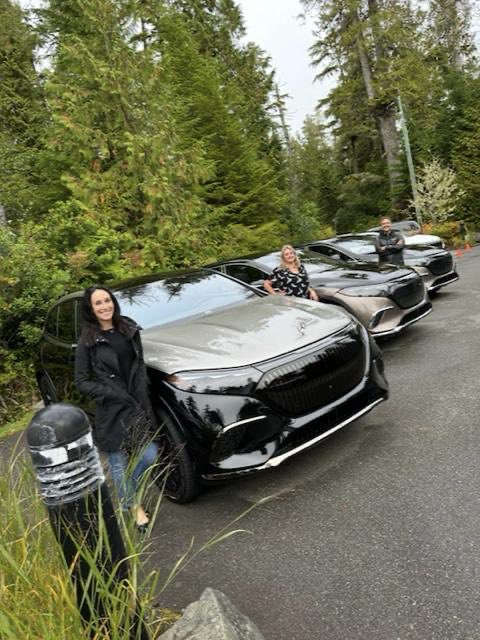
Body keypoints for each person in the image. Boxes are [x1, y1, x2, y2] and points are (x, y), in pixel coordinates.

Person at [74, 285, 158, 532]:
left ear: (113, 302)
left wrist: (143, 389)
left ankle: (127, 497)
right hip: (111, 411)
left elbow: (138, 364)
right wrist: (110, 393)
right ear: (90, 309)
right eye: (98, 303)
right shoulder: (87, 342)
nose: (104, 306)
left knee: (149, 455)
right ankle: (135, 509)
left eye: (107, 301)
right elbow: (81, 381)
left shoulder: (128, 328)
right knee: (119, 463)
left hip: (136, 404)